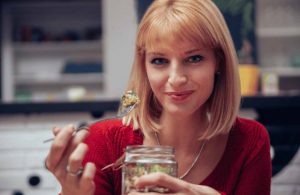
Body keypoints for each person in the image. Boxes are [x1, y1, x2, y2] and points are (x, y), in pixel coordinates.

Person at [45, 0, 272, 194]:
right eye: (159, 61)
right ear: (144, 67)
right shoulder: (101, 142)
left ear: (218, 61)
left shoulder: (250, 140)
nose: (176, 78)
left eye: (194, 58)